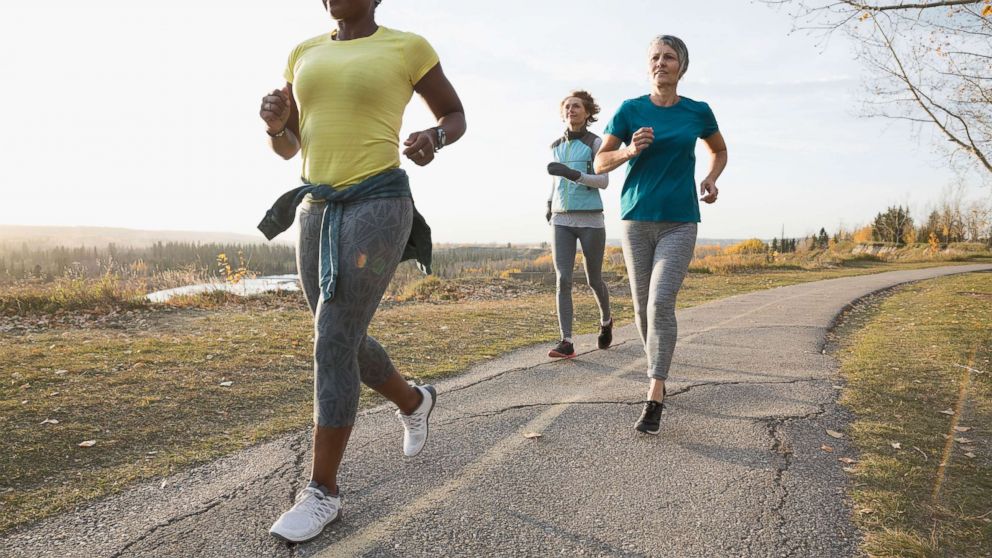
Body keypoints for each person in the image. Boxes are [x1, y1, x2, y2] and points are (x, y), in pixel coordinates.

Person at [256, 0, 465, 543]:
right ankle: (414, 400)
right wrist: (277, 126)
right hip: (316, 208)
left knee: (332, 337)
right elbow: (288, 148)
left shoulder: (407, 46)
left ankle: (322, 492)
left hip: (378, 199)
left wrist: (432, 138)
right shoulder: (303, 52)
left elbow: (454, 114)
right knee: (341, 336)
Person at [594, 35, 727, 435]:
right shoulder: (629, 110)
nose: (661, 63)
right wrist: (628, 152)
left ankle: (654, 393)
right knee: (639, 309)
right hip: (636, 220)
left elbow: (719, 150)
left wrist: (711, 177)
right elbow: (600, 161)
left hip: (680, 220)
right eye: (655, 56)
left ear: (681, 67)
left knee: (660, 301)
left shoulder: (698, 112)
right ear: (647, 65)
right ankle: (662, 374)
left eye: (669, 57)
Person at [545, 91, 613, 359]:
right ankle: (566, 341)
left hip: (591, 219)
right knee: (563, 278)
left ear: (587, 113)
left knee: (593, 279)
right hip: (561, 219)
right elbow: (555, 181)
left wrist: (574, 175)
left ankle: (606, 320)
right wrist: (549, 205)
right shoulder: (555, 146)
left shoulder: (596, 143)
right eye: (567, 107)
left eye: (577, 106)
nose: (571, 110)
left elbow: (604, 181)